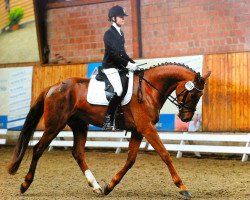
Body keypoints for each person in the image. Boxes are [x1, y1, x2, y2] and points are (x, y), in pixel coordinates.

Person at [102, 5, 137, 129]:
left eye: (123, 17)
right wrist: (127, 64)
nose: (123, 19)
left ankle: (122, 115)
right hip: (110, 67)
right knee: (119, 90)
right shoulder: (108, 34)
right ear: (113, 18)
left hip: (119, 66)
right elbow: (112, 54)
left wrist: (133, 63)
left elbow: (122, 53)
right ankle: (108, 118)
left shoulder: (121, 33)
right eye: (121, 17)